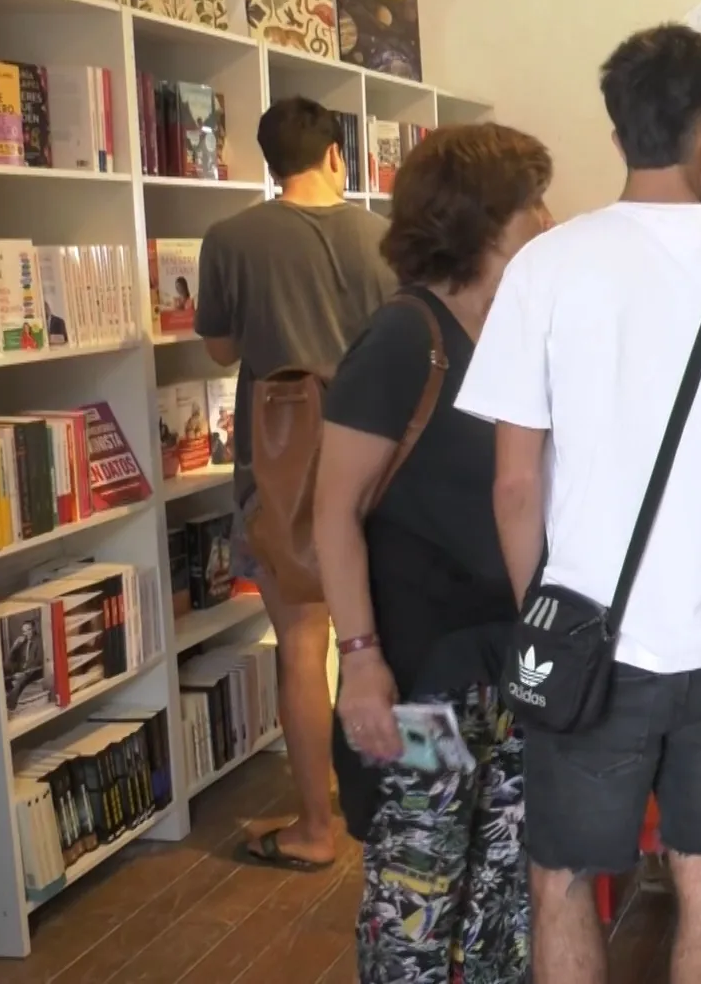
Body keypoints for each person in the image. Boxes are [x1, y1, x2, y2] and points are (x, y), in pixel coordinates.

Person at [456, 24, 701, 984]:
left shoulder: (546, 269)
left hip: (589, 646)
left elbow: (515, 480)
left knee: (561, 880)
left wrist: (544, 614)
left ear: (619, 136)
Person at [313, 123, 554, 981]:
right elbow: (331, 514)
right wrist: (360, 659)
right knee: (417, 895)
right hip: (419, 681)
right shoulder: (401, 341)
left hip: (505, 665)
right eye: (531, 201)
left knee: (502, 893)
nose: (546, 215)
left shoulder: (509, 331)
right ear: (486, 220)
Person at [195, 96, 395, 870]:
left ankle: (317, 827)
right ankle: (408, 803)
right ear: (338, 155)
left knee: (304, 648)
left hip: (280, 464)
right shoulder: (383, 238)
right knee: (390, 640)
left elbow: (218, 349)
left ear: (268, 162)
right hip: (378, 457)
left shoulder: (230, 238)